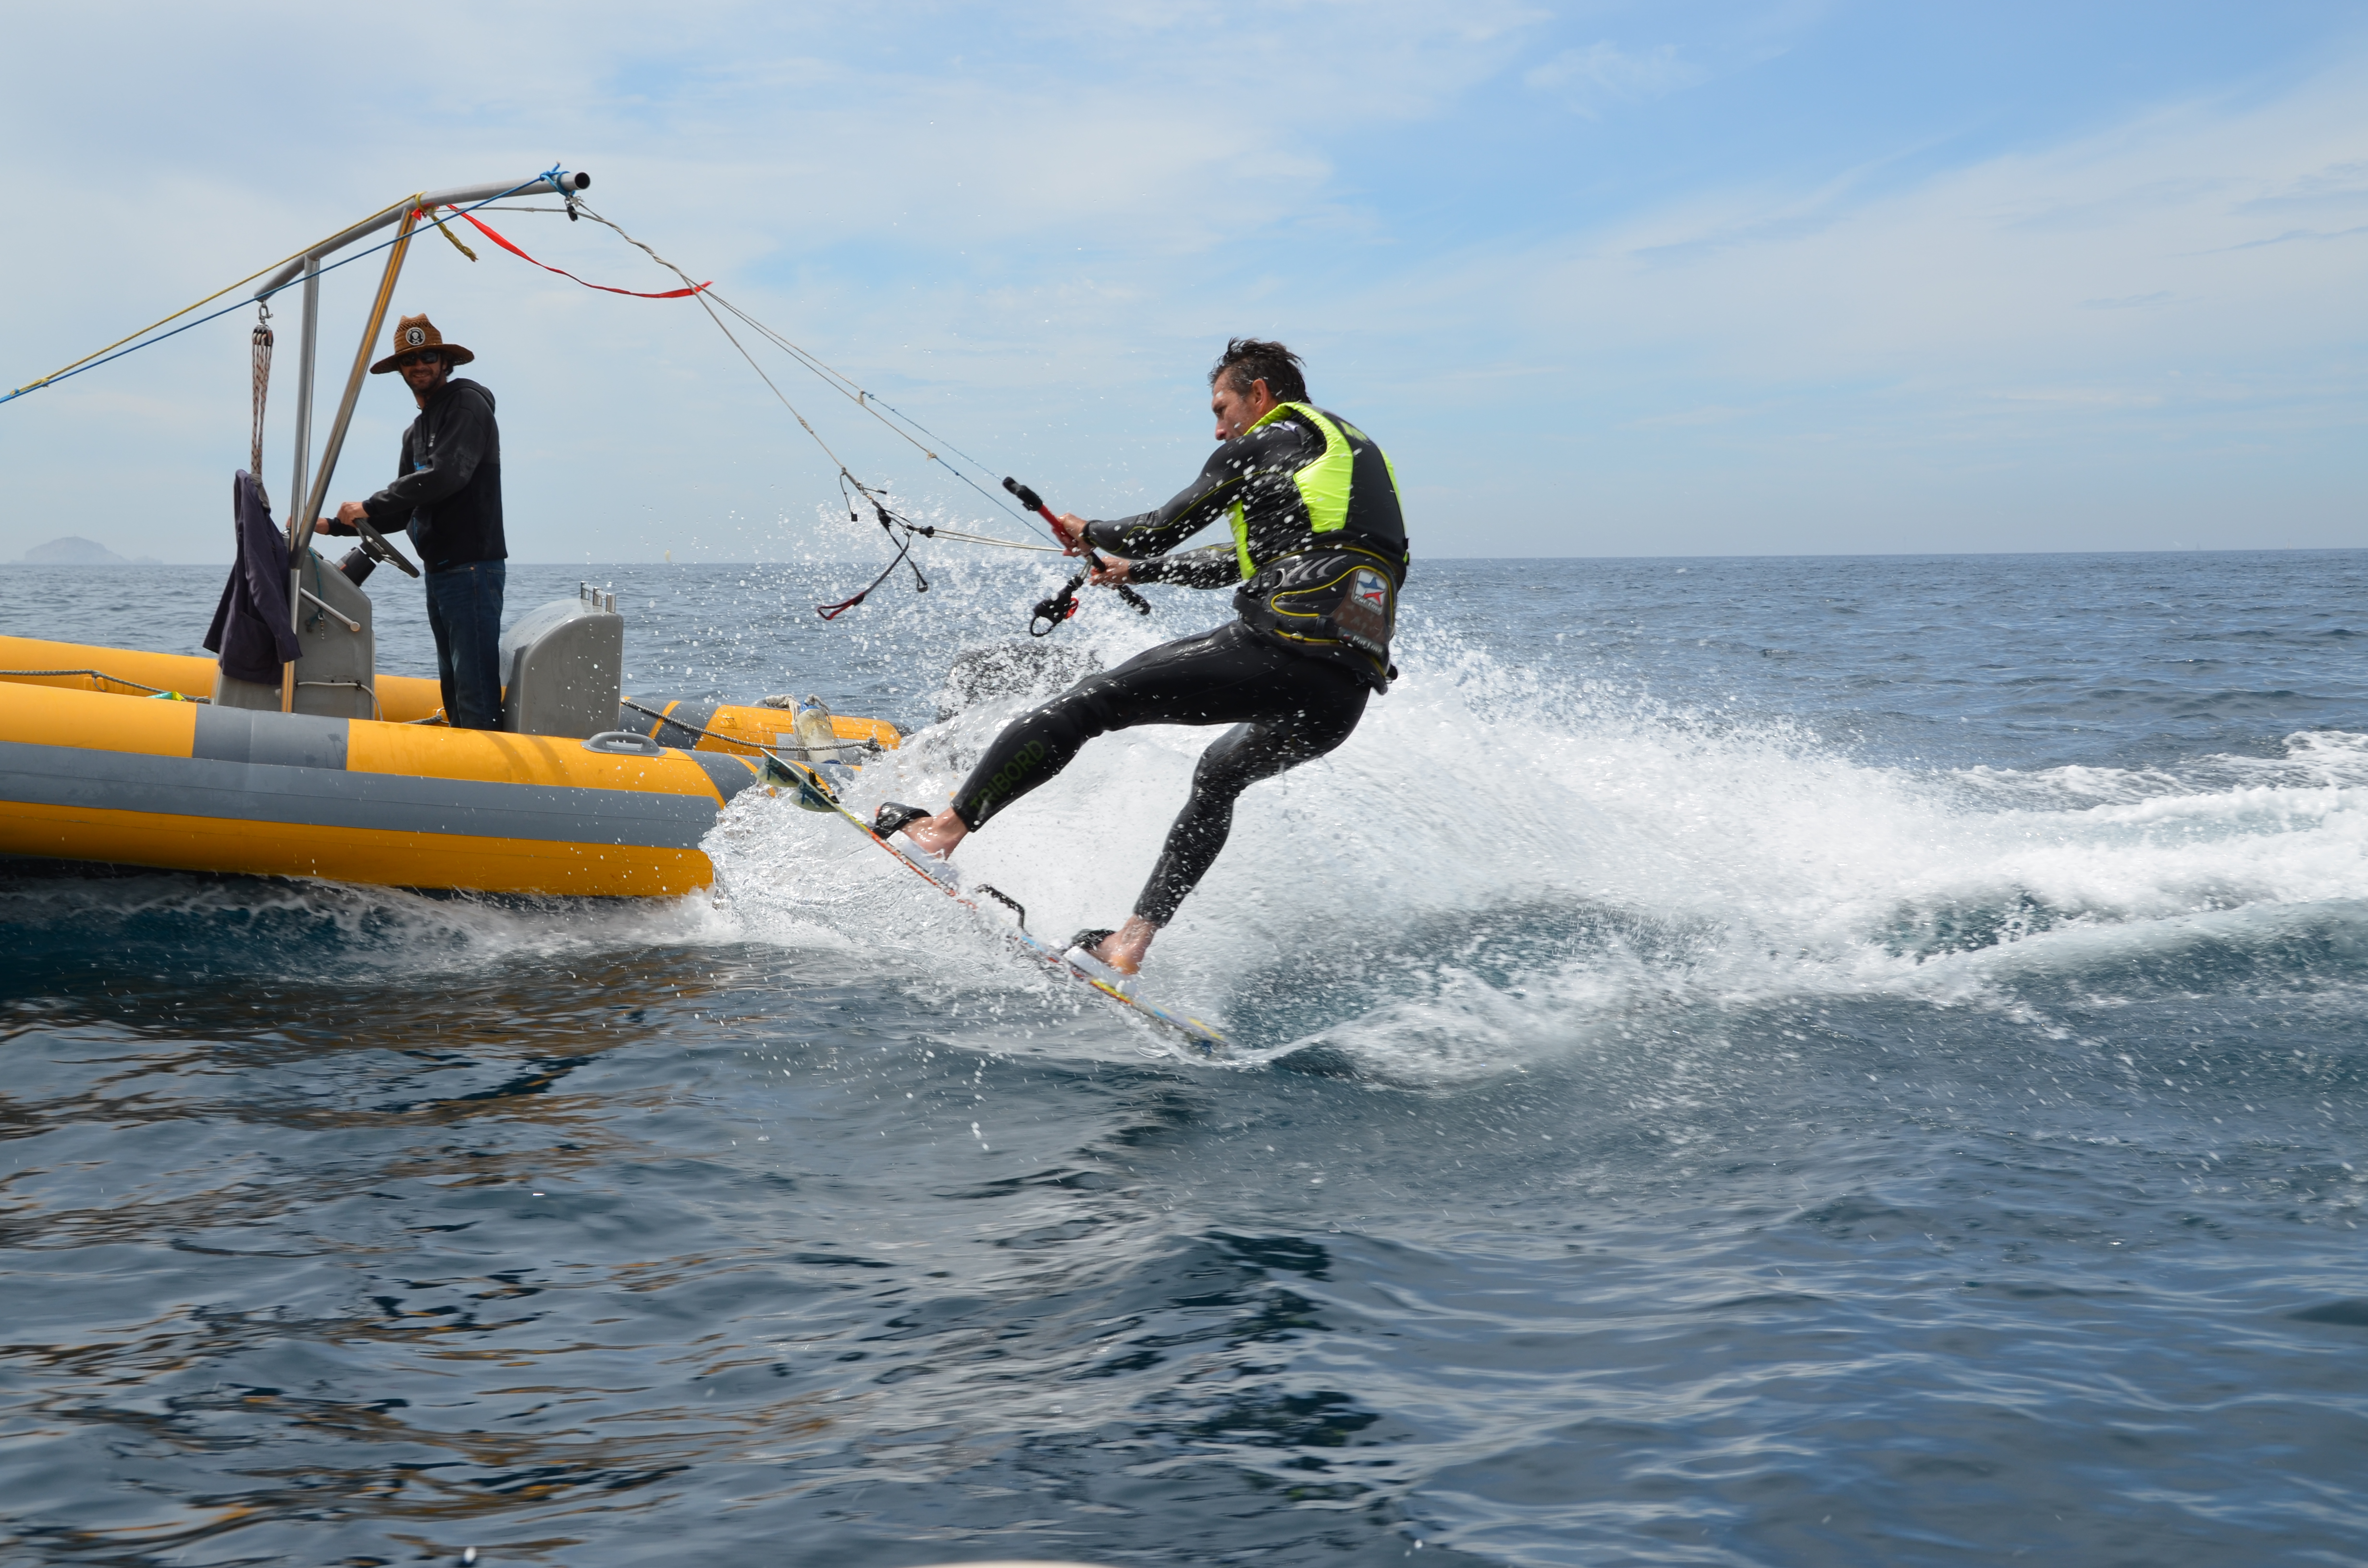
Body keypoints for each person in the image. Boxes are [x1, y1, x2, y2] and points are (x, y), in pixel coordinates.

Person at [877, 338, 1409, 975]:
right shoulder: (1343, 459)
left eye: (1223, 407)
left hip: (1283, 646)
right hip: (1344, 690)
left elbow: (1163, 523)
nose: (1219, 427)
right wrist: (1138, 569)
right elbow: (1238, 562)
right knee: (1220, 775)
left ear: (1260, 396)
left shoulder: (1268, 438)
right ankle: (1129, 944)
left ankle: (943, 831)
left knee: (1089, 704)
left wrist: (1091, 531)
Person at [320, 314, 507, 729]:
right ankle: (463, 760)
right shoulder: (415, 433)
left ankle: (489, 773)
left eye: (428, 356)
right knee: (453, 685)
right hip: (439, 573)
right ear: (400, 370)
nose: (419, 365)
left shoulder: (467, 404)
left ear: (445, 362)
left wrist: (368, 503)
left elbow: (448, 475)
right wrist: (332, 525)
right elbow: (402, 513)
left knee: (474, 688)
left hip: (473, 568)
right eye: (410, 360)